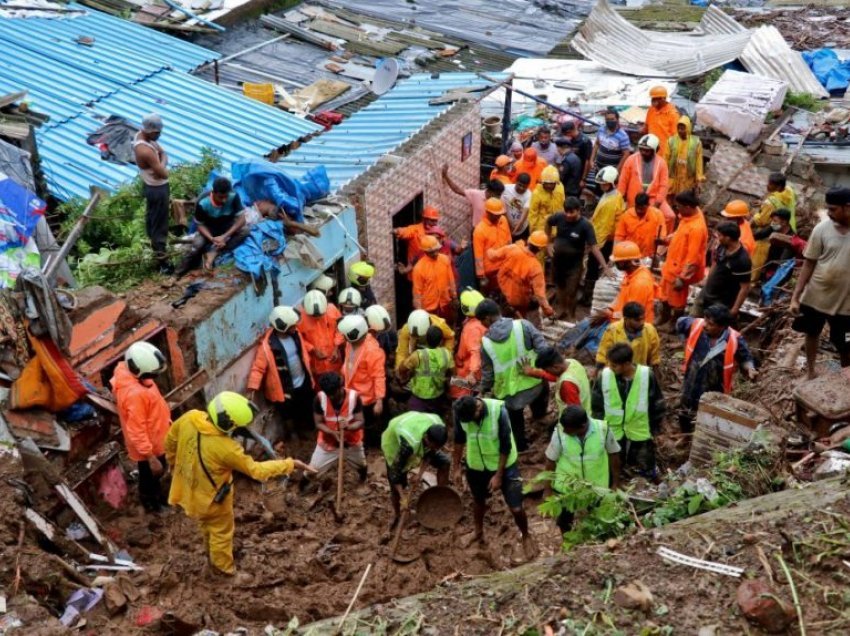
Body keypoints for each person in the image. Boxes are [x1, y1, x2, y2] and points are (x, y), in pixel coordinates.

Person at [165, 392, 314, 577]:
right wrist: (289, 464)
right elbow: (256, 470)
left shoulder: (190, 417)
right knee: (221, 533)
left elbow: (171, 439)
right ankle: (223, 570)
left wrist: (173, 463)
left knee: (205, 526)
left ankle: (209, 555)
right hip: (213, 499)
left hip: (187, 488)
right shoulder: (227, 448)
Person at [452, 396, 537, 560]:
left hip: (505, 466)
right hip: (476, 465)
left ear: (478, 408)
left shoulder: (499, 412)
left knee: (516, 508)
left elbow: (506, 446)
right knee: (478, 501)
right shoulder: (461, 411)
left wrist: (498, 476)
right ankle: (478, 532)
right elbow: (459, 439)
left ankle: (526, 535)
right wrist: (456, 468)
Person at [790, 187, 850, 378]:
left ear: (847, 207)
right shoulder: (821, 230)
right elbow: (809, 264)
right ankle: (810, 371)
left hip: (846, 302)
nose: (829, 213)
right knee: (811, 332)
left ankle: (845, 377)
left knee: (846, 341)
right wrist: (795, 297)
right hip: (816, 295)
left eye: (833, 209)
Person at [478, 300, 549, 451]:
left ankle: (521, 446)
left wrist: (483, 389)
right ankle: (540, 420)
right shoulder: (523, 325)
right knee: (543, 389)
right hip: (534, 384)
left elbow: (488, 374)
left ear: (487, 319)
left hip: (509, 395)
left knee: (515, 423)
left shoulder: (486, 344)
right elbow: (544, 350)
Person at [110, 342, 171, 513]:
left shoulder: (131, 375)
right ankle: (152, 504)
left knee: (155, 474)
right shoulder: (134, 395)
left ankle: (157, 498)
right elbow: (137, 430)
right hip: (148, 448)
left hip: (156, 438)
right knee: (149, 477)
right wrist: (151, 457)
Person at [677, 304, 757, 432]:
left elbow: (745, 357)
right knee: (686, 407)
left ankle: (700, 434)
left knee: (709, 414)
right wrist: (683, 341)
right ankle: (684, 434)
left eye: (710, 324)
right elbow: (679, 323)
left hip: (715, 386)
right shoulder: (697, 325)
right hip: (692, 378)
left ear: (722, 327)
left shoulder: (734, 339)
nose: (705, 325)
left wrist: (749, 368)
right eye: (705, 320)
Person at [592, 343, 665, 479]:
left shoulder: (646, 375)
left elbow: (657, 403)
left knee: (644, 465)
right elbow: (597, 405)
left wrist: (656, 430)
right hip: (613, 430)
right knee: (612, 465)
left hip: (640, 429)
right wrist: (599, 428)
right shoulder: (605, 376)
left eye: (614, 365)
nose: (610, 368)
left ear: (626, 364)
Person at [543, 406, 621, 533]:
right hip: (567, 487)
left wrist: (615, 483)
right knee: (565, 520)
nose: (565, 432)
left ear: (583, 426)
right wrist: (547, 489)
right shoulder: (559, 432)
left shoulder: (603, 429)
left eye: (569, 430)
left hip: (596, 487)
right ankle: (567, 541)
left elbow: (614, 455)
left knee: (599, 518)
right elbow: (550, 460)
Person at [247, 306, 314, 439]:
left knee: (305, 406)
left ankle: (307, 431)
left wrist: (313, 349)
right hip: (283, 388)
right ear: (283, 327)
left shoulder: (295, 335)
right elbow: (258, 368)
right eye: (292, 326)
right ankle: (293, 435)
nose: (295, 328)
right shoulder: (268, 346)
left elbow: (303, 346)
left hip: (301, 380)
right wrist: (252, 388)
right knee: (288, 413)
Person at [382, 412, 449, 528]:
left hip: (414, 430)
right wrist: (404, 499)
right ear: (426, 438)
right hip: (394, 444)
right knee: (396, 485)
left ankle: (440, 498)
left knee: (445, 462)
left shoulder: (438, 426)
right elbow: (395, 473)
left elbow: (430, 453)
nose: (436, 449)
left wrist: (420, 474)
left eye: (438, 447)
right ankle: (398, 514)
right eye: (434, 446)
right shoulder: (408, 445)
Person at [546, 197, 609, 319]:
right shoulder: (559, 217)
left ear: (579, 210)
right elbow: (548, 223)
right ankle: (561, 310)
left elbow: (594, 247)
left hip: (574, 265)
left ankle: (571, 315)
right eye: (566, 212)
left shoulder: (585, 226)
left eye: (572, 212)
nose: (568, 215)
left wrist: (605, 267)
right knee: (560, 288)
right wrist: (548, 242)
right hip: (558, 261)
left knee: (571, 291)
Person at [176, 177, 248, 276]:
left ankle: (215, 252)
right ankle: (177, 273)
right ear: (213, 192)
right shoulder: (202, 202)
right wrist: (212, 238)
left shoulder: (234, 195)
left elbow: (242, 219)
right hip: (209, 228)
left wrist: (224, 236)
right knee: (197, 246)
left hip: (226, 225)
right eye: (221, 197)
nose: (224, 200)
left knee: (245, 231)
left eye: (226, 197)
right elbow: (200, 224)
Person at [657, 190, 708, 328]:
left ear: (688, 207)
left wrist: (683, 277)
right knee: (664, 294)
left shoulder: (697, 228)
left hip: (680, 270)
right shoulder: (687, 218)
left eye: (678, 206)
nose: (676, 209)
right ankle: (664, 317)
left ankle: (674, 323)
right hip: (671, 264)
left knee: (677, 300)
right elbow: (678, 235)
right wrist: (665, 241)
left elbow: (693, 257)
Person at [308, 372, 367, 481]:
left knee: (361, 465)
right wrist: (331, 432)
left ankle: (363, 479)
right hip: (328, 442)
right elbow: (318, 423)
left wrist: (348, 427)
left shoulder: (354, 397)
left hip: (351, 442)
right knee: (312, 471)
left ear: (340, 387)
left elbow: (360, 421)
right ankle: (303, 487)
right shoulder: (319, 399)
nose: (331, 397)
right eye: (328, 394)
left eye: (333, 393)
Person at [339, 314, 386, 447]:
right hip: (352, 392)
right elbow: (348, 361)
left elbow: (378, 376)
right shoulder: (350, 343)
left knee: (367, 423)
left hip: (366, 397)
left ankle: (368, 444)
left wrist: (379, 400)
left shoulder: (372, 351)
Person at [133, 113, 171, 273]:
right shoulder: (145, 150)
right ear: (150, 131)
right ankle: (162, 263)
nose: (159, 135)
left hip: (152, 187)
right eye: (158, 132)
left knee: (152, 221)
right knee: (159, 226)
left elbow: (163, 153)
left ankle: (157, 253)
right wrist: (162, 163)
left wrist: (161, 161)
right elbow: (164, 174)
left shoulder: (144, 137)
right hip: (157, 189)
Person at [488, 230, 554, 321]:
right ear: (540, 249)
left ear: (529, 241)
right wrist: (548, 310)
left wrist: (488, 248)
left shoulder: (512, 248)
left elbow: (492, 256)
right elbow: (540, 296)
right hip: (518, 302)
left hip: (501, 292)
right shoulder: (536, 268)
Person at [694, 222, 752, 319]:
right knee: (695, 318)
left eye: (720, 235)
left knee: (710, 325)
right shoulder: (722, 246)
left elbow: (745, 287)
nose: (718, 238)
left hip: (721, 301)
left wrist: (735, 309)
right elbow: (715, 263)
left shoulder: (742, 260)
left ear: (728, 238)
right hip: (707, 292)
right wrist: (708, 280)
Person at [587, 166, 626, 299]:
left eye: (604, 184)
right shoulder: (613, 195)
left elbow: (605, 226)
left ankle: (590, 294)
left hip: (603, 239)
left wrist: (595, 244)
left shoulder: (611, 201)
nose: (601, 186)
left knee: (593, 265)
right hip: (605, 236)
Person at [618, 134, 672, 230]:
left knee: (670, 216)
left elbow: (663, 186)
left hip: (653, 198)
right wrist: (619, 199)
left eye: (646, 150)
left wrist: (656, 205)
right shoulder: (631, 159)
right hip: (635, 199)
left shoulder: (662, 163)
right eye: (641, 149)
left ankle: (661, 240)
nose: (643, 152)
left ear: (655, 150)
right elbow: (623, 180)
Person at [752, 174, 798, 282]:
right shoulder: (789, 191)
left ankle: (756, 282)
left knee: (767, 257)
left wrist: (754, 216)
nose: (767, 185)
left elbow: (762, 221)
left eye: (770, 184)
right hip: (789, 227)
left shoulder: (772, 201)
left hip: (777, 229)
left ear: (777, 186)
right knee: (775, 257)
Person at [398, 325, 454, 413]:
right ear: (441, 341)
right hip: (437, 397)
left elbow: (402, 369)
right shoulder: (446, 354)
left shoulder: (418, 355)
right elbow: (452, 373)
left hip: (418, 397)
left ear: (426, 340)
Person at [596, 302, 661, 372]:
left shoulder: (650, 331)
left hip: (639, 374)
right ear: (626, 319)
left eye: (643, 319)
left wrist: (656, 379)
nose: (642, 323)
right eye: (637, 320)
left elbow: (655, 358)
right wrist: (597, 372)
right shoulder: (612, 330)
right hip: (615, 373)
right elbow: (602, 354)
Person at [603, 241, 657, 323]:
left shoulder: (640, 284)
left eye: (618, 261)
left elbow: (632, 316)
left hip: (632, 328)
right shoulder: (631, 273)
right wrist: (611, 308)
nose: (616, 263)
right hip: (621, 319)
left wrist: (611, 315)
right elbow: (621, 296)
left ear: (628, 261)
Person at [531, 346, 591, 415]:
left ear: (555, 367)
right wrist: (532, 372)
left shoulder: (567, 385)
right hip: (587, 409)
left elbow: (575, 415)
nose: (547, 373)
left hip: (575, 421)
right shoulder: (572, 362)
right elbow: (555, 377)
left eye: (547, 371)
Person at [297, 290, 343, 379]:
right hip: (316, 365)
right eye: (313, 316)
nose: (317, 318)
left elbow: (341, 329)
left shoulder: (332, 309)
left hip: (334, 360)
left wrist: (336, 347)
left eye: (320, 315)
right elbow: (299, 339)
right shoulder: (299, 318)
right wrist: (312, 349)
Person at [753, 208, 806, 284]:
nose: (772, 223)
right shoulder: (774, 228)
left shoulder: (790, 239)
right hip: (768, 266)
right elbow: (759, 235)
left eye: (775, 221)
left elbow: (782, 261)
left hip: (778, 272)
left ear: (784, 222)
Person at [451, 289, 487, 398]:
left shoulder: (472, 329)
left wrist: (472, 373)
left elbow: (475, 352)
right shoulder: (481, 322)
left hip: (469, 369)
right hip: (480, 367)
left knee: (457, 391)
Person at [412, 235, 457, 321]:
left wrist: (454, 297)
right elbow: (417, 293)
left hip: (445, 304)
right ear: (425, 251)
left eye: (436, 250)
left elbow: (451, 281)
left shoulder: (445, 260)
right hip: (429, 309)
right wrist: (419, 312)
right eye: (432, 252)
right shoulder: (418, 268)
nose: (435, 253)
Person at [473, 198, 512, 294]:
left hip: (505, 264)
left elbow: (509, 240)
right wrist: (481, 276)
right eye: (496, 215)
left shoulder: (503, 220)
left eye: (500, 214)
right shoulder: (480, 230)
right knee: (490, 293)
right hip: (491, 270)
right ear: (488, 213)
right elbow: (478, 256)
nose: (498, 217)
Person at [614, 192, 667, 259]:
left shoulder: (657, 215)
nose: (639, 211)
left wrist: (657, 254)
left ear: (648, 205)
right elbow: (619, 237)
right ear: (635, 205)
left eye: (642, 209)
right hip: (630, 255)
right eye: (637, 208)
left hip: (649, 257)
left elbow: (662, 237)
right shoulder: (626, 215)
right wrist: (615, 254)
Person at [589, 109, 632, 191]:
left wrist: (617, 170)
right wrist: (592, 160)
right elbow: (597, 144)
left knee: (609, 192)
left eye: (612, 119)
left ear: (617, 119)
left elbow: (626, 154)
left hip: (610, 173)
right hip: (598, 168)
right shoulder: (601, 130)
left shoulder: (623, 136)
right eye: (607, 120)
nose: (610, 121)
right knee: (598, 189)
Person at [394, 206, 441, 272]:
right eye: (432, 221)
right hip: (416, 271)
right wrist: (398, 231)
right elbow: (406, 231)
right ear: (425, 219)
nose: (434, 223)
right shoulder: (415, 229)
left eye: (436, 221)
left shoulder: (437, 232)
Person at [667, 115, 704, 197]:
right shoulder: (671, 141)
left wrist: (699, 179)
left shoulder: (696, 142)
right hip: (673, 177)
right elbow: (666, 158)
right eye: (679, 128)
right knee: (670, 197)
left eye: (683, 128)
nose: (680, 131)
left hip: (687, 179)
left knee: (684, 198)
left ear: (688, 128)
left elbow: (699, 162)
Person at [528, 165, 566, 236]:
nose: (549, 186)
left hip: (558, 228)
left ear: (556, 183)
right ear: (542, 182)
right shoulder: (537, 193)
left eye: (551, 184)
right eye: (546, 183)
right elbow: (533, 214)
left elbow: (563, 205)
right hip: (542, 230)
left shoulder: (560, 188)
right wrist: (532, 232)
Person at [643, 86, 678, 160]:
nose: (652, 100)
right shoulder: (651, 109)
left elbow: (676, 138)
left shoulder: (673, 114)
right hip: (650, 149)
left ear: (663, 98)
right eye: (652, 98)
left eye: (655, 98)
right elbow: (646, 127)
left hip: (664, 153)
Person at [365, 304, 398, 380]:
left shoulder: (383, 333)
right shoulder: (361, 340)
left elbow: (387, 350)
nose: (379, 333)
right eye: (377, 331)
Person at [560, 120, 594, 191]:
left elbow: (587, 162)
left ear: (569, 132)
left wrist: (583, 179)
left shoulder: (585, 141)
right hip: (569, 171)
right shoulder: (569, 140)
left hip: (579, 173)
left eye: (565, 134)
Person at [502, 173, 532, 241]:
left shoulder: (529, 195)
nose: (521, 188)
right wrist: (508, 226)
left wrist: (514, 231)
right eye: (519, 185)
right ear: (516, 181)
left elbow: (524, 215)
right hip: (506, 226)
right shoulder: (505, 188)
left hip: (522, 229)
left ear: (528, 186)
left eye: (524, 187)